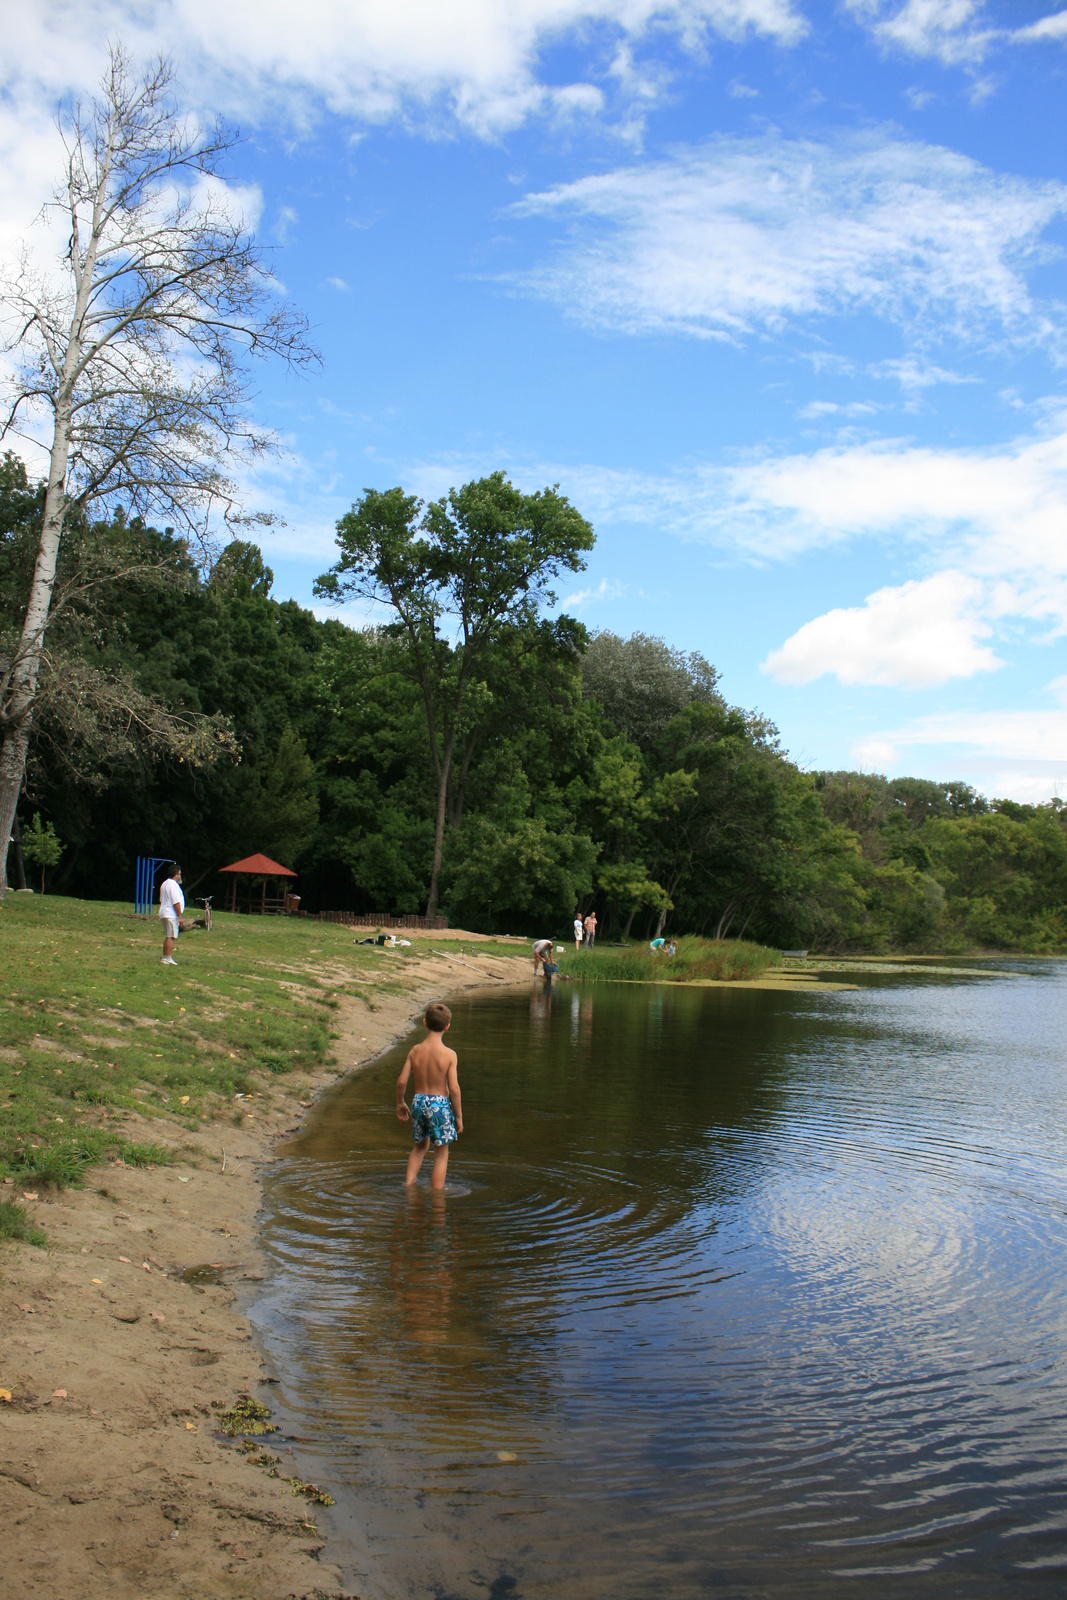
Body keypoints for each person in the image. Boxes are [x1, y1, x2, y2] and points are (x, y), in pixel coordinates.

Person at [396, 1003, 463, 1191]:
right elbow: (455, 1089)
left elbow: (401, 1081)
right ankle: (437, 1195)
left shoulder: (415, 1051)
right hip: (439, 1104)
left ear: (424, 1023)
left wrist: (400, 1102)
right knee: (441, 1154)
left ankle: (408, 1185)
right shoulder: (450, 1055)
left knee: (419, 1147)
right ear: (447, 1027)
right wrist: (458, 1116)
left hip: (418, 1101)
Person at [159, 864, 184, 966]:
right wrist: (180, 916)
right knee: (171, 936)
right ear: (176, 874)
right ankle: (167, 958)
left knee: (168, 935)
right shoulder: (173, 885)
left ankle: (166, 957)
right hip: (171, 913)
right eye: (179, 874)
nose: (180, 876)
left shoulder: (164, 884)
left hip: (164, 911)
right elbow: (176, 902)